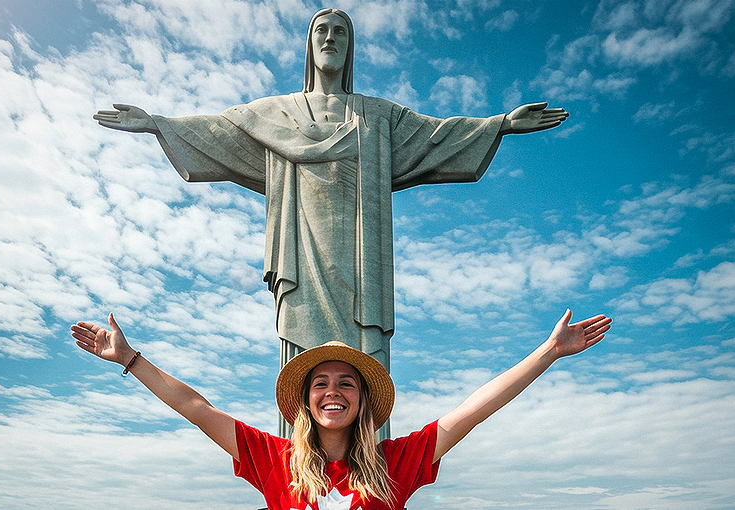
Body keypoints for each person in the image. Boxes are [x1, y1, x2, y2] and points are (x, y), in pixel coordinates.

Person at [92, 9, 570, 374]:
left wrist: (500, 125)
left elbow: (435, 135)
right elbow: (219, 131)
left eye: (340, 32)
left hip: (363, 268)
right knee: (304, 370)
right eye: (321, 30)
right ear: (308, 46)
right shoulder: (275, 114)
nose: (330, 39)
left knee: (363, 368)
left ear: (350, 48)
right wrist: (158, 125)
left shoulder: (378, 118)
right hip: (300, 262)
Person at [71, 309, 611, 510]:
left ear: (363, 399)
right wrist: (130, 359)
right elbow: (195, 406)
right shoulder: (274, 460)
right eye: (320, 383)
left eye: (346, 383)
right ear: (306, 401)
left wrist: (549, 352)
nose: (333, 392)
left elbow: (474, 410)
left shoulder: (397, 466)